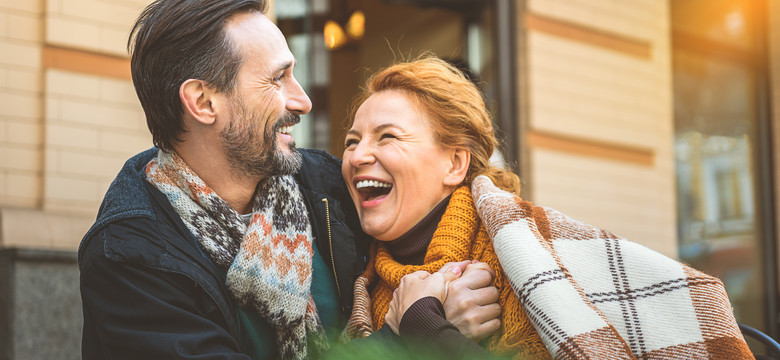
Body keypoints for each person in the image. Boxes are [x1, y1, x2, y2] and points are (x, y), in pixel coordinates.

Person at [78, 1, 498, 359]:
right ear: (204, 102)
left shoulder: (327, 186)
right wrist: (414, 337)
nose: (303, 100)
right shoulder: (130, 258)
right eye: (278, 79)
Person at [341, 56, 755, 359]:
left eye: (387, 136)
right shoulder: (357, 283)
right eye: (351, 141)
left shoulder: (534, 258)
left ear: (455, 163)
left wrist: (424, 327)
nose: (358, 155)